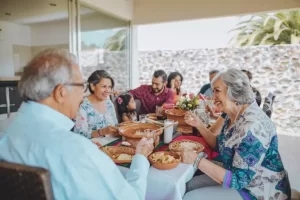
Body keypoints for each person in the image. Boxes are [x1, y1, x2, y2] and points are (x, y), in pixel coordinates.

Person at [0, 49, 154, 200]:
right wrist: (140, 157)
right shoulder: (76, 151)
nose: (83, 95)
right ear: (61, 92)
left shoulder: (6, 135)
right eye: (81, 87)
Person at [182, 68, 290, 200]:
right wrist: (199, 125)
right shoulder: (234, 114)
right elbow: (219, 145)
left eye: (217, 91)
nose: (212, 96)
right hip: (235, 174)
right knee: (188, 185)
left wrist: (196, 160)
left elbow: (238, 180)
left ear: (233, 91)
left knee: (190, 197)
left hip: (257, 191)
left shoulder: (252, 127)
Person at [74, 70, 119, 139]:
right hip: (92, 147)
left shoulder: (109, 103)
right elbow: (79, 135)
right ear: (92, 86)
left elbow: (115, 125)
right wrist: (102, 131)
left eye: (109, 87)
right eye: (104, 86)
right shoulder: (82, 106)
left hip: (111, 145)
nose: (107, 91)